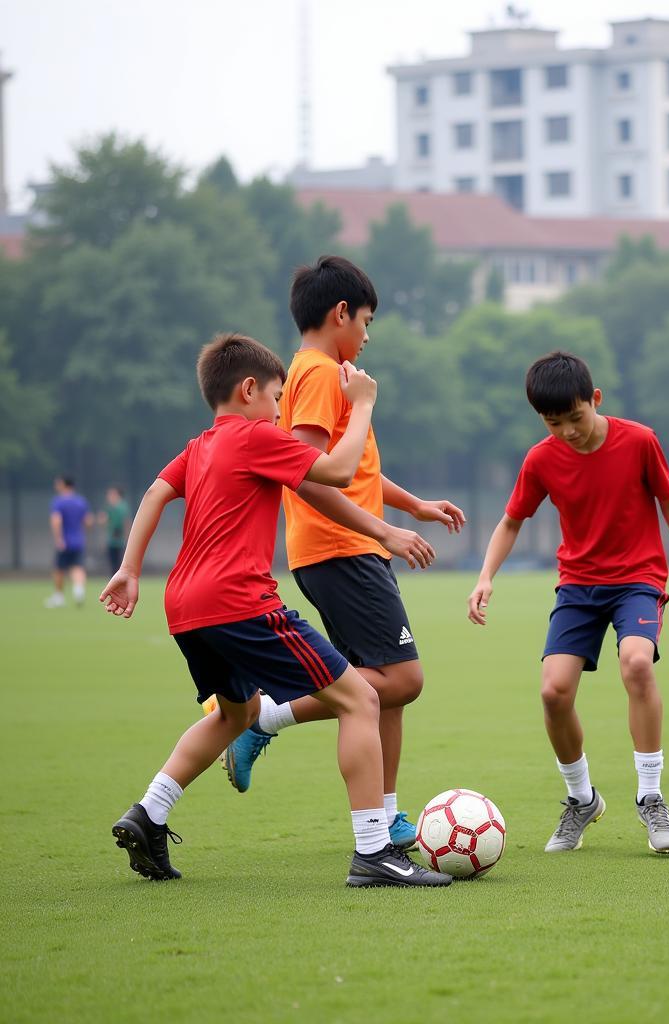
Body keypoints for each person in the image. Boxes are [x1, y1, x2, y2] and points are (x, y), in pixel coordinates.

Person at [103, 332, 450, 888]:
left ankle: (149, 812)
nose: (280, 409)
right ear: (248, 391)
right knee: (361, 697)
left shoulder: (200, 446)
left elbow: (154, 493)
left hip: (184, 603)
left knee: (232, 714)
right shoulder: (257, 437)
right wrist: (361, 403)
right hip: (239, 599)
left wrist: (128, 568)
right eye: (276, 397)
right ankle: (374, 851)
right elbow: (337, 471)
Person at [222, 256, 465, 851]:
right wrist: (383, 534)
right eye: (367, 319)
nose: (368, 332)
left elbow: (352, 472)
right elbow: (307, 476)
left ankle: (385, 818)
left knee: (383, 686)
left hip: (348, 546)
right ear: (340, 314)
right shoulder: (325, 376)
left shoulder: (326, 372)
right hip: (342, 549)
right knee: (402, 679)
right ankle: (269, 716)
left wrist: (411, 507)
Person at [468, 351, 669, 856]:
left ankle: (650, 796)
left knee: (636, 663)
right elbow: (512, 520)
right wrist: (485, 576)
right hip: (578, 587)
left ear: (595, 399)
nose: (567, 431)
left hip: (638, 580)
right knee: (553, 693)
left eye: (575, 418)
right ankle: (581, 800)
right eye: (553, 422)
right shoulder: (541, 459)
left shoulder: (640, 441)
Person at [46, 476, 92, 608]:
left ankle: (59, 597)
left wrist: (58, 538)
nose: (56, 485)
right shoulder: (81, 501)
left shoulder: (58, 502)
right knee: (77, 567)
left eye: (58, 483)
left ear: (65, 485)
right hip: (78, 541)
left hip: (64, 541)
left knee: (59, 569)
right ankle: (79, 592)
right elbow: (88, 522)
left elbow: (56, 520)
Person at [98, 486, 131, 575]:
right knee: (115, 564)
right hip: (113, 540)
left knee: (117, 564)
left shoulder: (120, 507)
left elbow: (126, 522)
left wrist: (127, 537)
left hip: (119, 540)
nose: (109, 496)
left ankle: (118, 582)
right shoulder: (113, 507)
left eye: (111, 494)